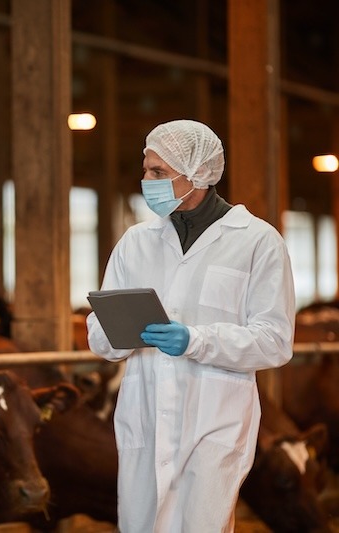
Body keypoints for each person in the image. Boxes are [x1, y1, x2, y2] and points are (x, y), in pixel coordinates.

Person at [86, 119, 295, 532]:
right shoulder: (135, 242)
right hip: (145, 417)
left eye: (158, 172)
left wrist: (196, 341)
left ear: (197, 173)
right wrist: (116, 332)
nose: (146, 180)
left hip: (214, 419)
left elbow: (275, 340)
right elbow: (98, 329)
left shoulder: (256, 241)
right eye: (146, 169)